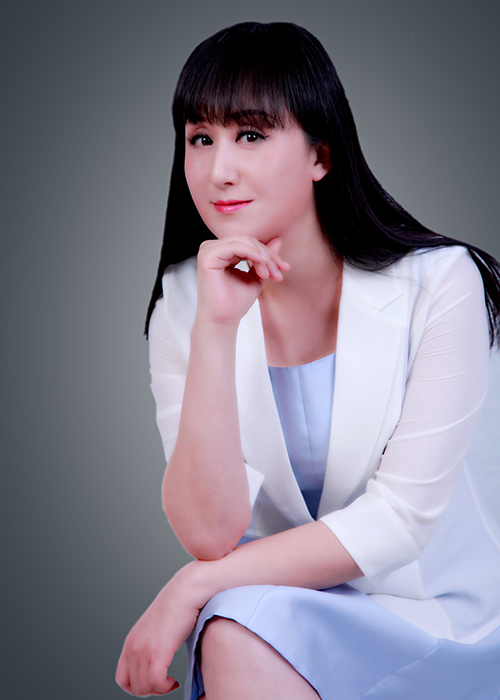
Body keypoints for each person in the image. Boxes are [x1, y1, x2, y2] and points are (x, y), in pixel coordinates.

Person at [116, 21, 500, 700]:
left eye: (250, 135)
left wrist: (194, 586)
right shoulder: (184, 301)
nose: (218, 170)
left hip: (442, 619)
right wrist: (216, 328)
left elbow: (401, 520)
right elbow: (209, 532)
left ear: (321, 156)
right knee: (235, 629)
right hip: (295, 611)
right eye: (200, 138)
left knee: (228, 614)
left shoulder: (441, 283)